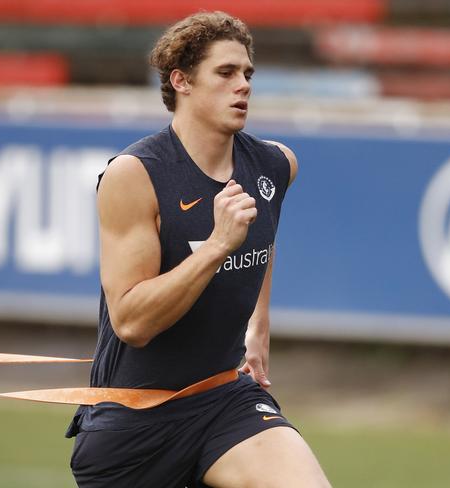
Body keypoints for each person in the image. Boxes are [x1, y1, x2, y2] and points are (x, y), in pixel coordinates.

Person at [66, 11, 331, 488]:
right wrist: (215, 246)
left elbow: (262, 237)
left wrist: (259, 324)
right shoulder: (135, 175)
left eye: (248, 73)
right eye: (226, 73)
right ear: (181, 81)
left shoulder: (275, 164)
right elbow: (131, 322)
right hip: (135, 421)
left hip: (223, 399)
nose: (243, 85)